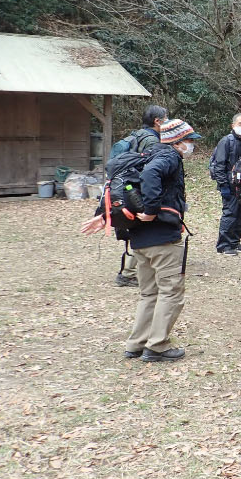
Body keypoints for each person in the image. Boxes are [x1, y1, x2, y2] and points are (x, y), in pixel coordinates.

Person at [81, 119, 201, 362]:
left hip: (139, 239)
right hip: (163, 238)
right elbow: (150, 175)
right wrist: (152, 209)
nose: (191, 145)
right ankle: (157, 346)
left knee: (149, 293)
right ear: (177, 142)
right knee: (171, 293)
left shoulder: (144, 154)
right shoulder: (167, 157)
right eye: (189, 141)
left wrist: (105, 215)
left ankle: (136, 344)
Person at [113, 105, 169, 287]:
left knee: (136, 229)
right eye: (166, 118)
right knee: (140, 228)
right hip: (138, 190)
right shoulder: (152, 141)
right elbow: (151, 172)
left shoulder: (136, 135)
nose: (167, 121)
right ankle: (128, 273)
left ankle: (130, 271)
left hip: (128, 188)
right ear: (157, 121)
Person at [210, 112, 241, 255]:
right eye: (240, 124)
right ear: (233, 125)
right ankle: (224, 245)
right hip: (229, 184)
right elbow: (219, 165)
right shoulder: (226, 141)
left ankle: (235, 242)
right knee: (230, 214)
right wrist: (223, 186)